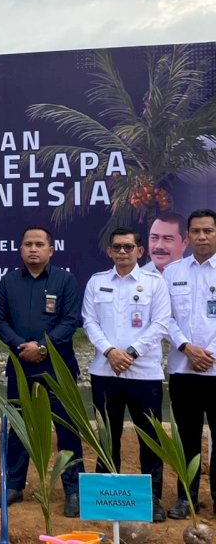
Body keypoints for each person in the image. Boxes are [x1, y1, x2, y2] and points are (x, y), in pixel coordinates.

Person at [0, 225, 85, 517]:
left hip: (58, 368)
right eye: (28, 244)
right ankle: (13, 486)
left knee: (67, 429)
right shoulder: (8, 282)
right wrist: (22, 346)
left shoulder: (65, 280)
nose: (33, 249)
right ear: (21, 249)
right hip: (20, 366)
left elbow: (70, 321)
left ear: (50, 250)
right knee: (19, 428)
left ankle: (73, 490)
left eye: (39, 244)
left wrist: (43, 347)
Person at [82, 227, 170, 522]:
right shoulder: (97, 282)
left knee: (150, 438)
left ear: (139, 251)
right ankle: (105, 497)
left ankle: (152, 499)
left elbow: (160, 324)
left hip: (144, 374)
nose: (122, 252)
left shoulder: (154, 283)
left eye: (128, 247)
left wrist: (130, 353)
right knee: (108, 436)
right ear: (109, 251)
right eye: (117, 247)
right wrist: (110, 352)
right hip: (105, 371)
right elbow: (89, 322)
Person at [163, 208, 216, 520]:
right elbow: (164, 317)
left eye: (208, 230)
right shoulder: (172, 273)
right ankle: (186, 497)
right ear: (187, 237)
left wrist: (209, 353)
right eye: (196, 231)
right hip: (183, 370)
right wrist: (186, 347)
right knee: (186, 437)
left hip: (215, 369)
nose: (202, 236)